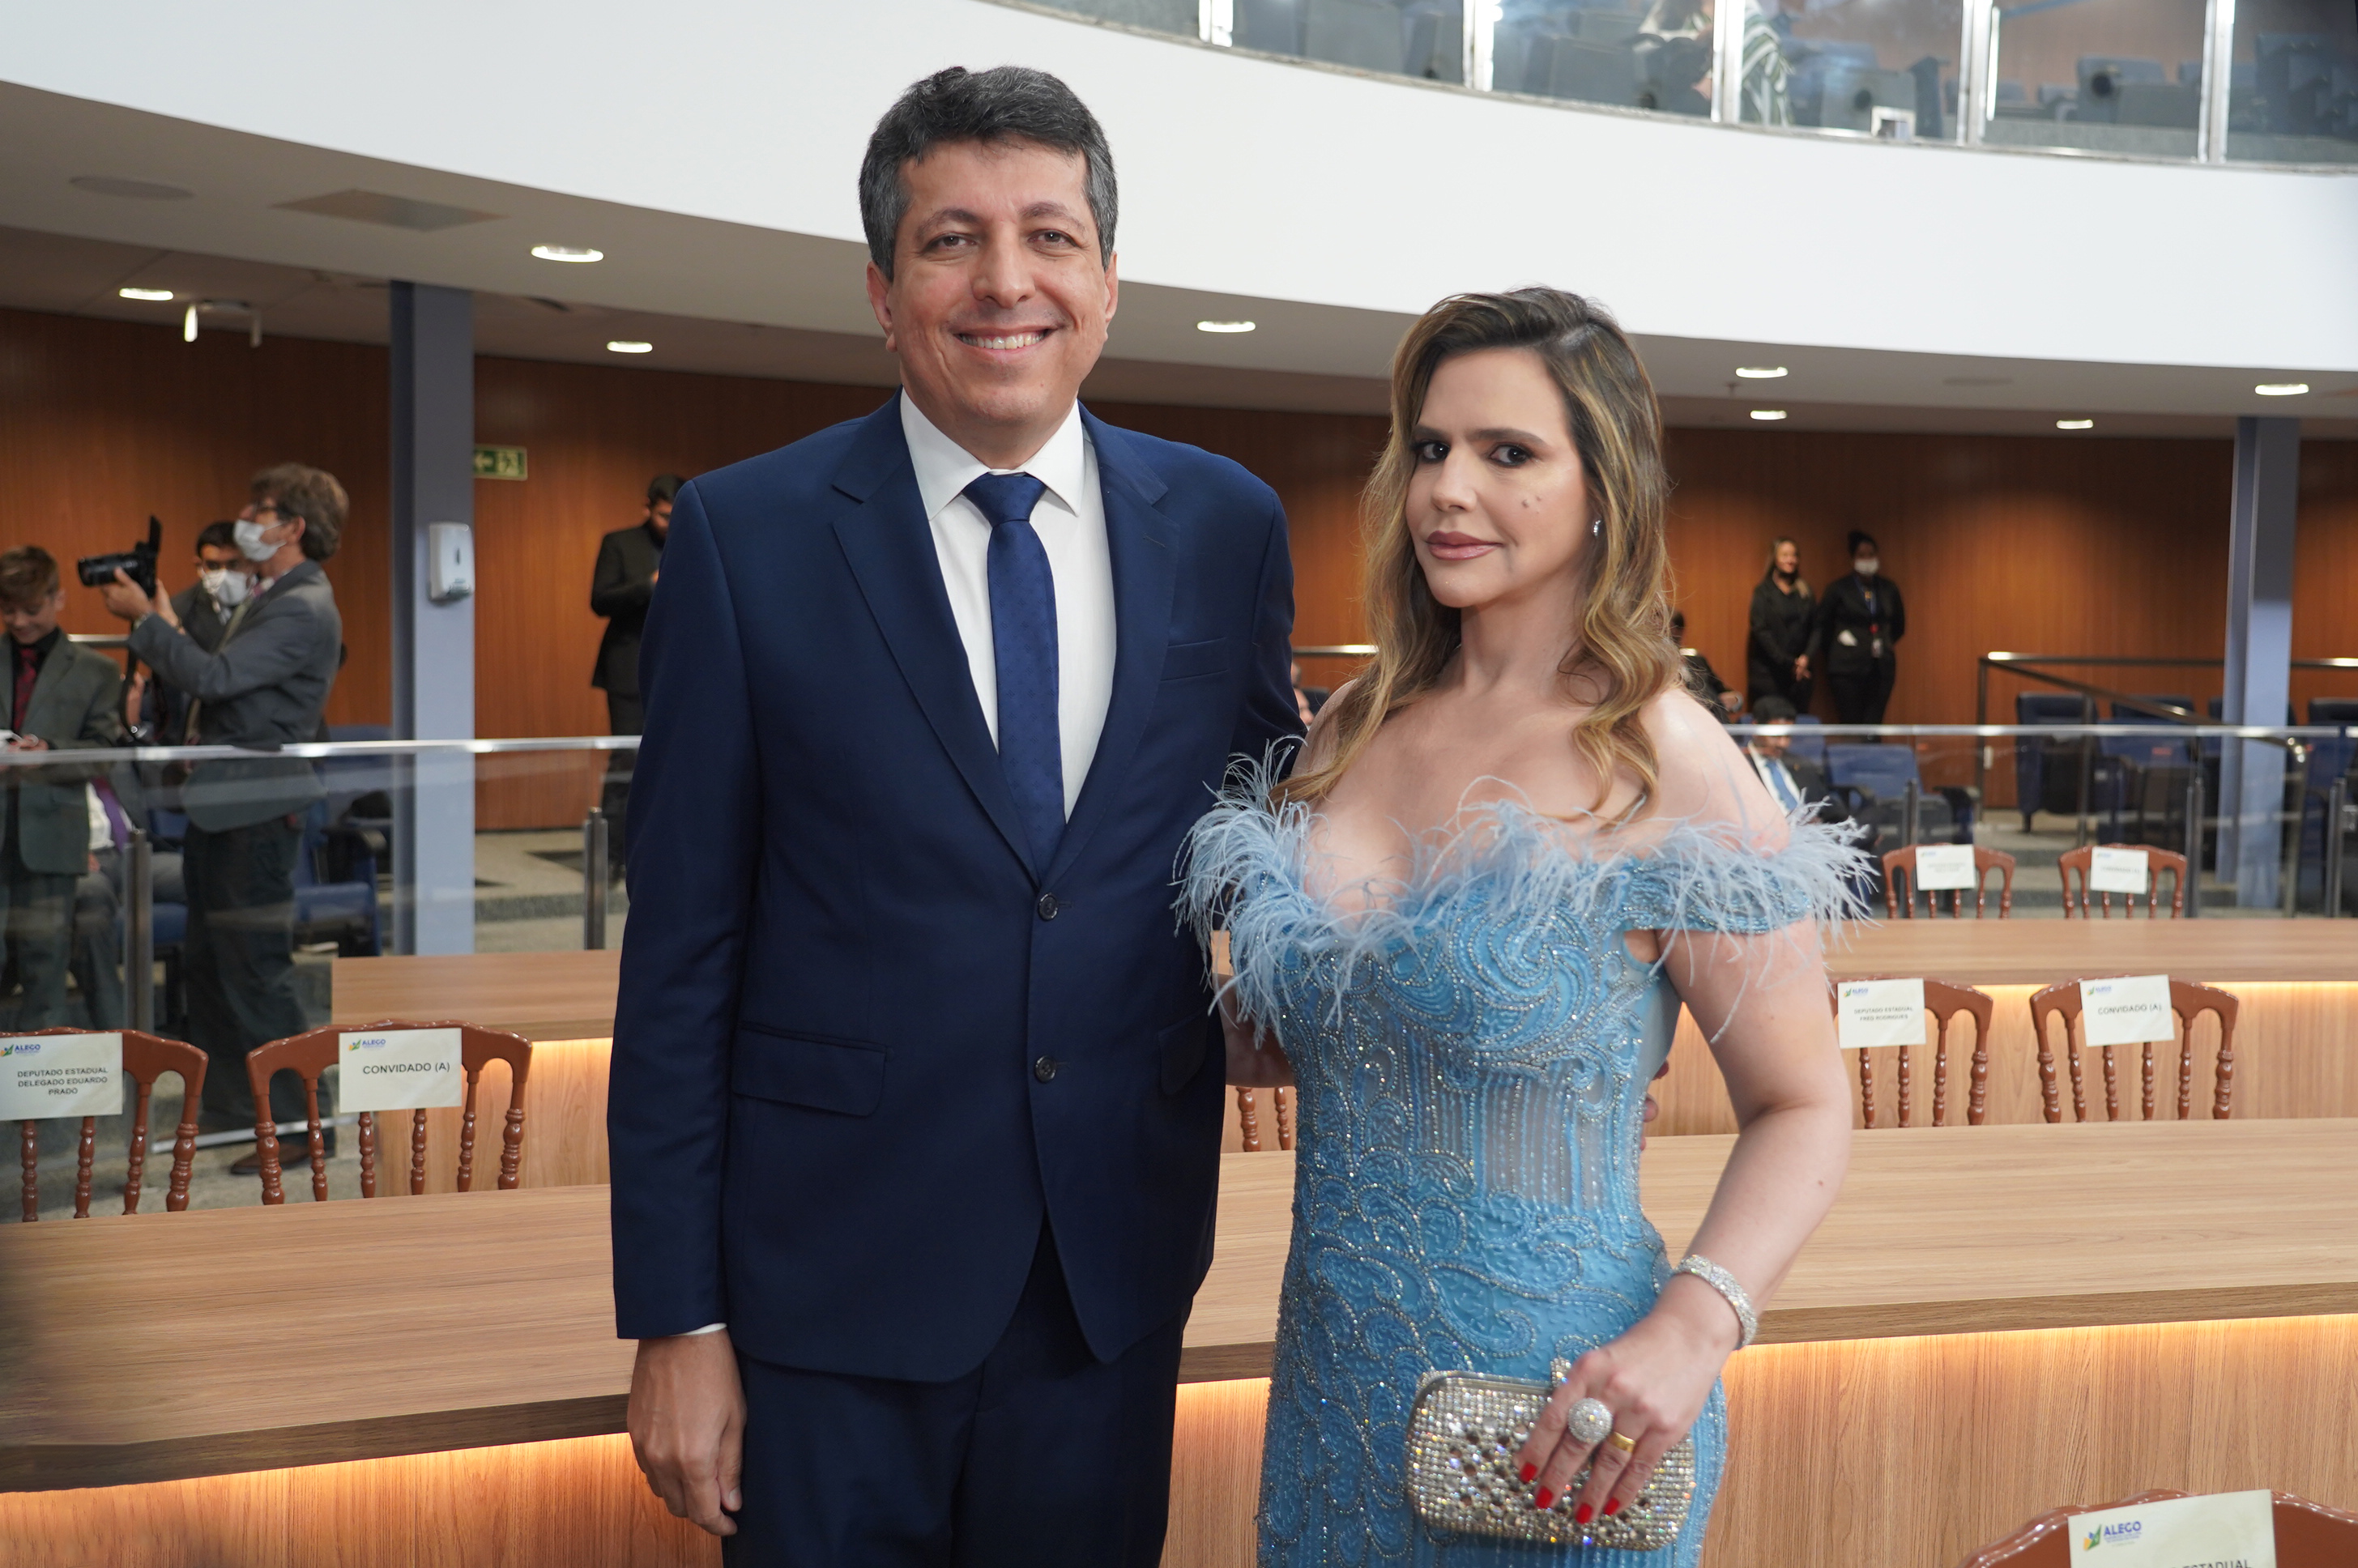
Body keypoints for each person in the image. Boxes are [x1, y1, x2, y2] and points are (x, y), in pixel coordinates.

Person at [608, 66, 1300, 1567]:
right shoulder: (745, 535)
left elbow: (1276, 842)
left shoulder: (1226, 526)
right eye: (950, 241)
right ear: (880, 289)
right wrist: (675, 1315)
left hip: (1109, 1279)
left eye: (1050, 236)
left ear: (1107, 282)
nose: (1004, 282)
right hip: (824, 1292)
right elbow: (678, 957)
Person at [1180, 289, 1859, 1566]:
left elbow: (1804, 1102)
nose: (1448, 489)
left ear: (1604, 490)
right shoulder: (1348, 728)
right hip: (1334, 1401)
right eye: (1429, 448)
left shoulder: (1665, 759)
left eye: (1507, 453)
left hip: (1563, 1420)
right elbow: (1317, 1036)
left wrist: (1695, 1324)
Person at [100, 463, 345, 1167]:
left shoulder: (304, 604)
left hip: (257, 811)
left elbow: (215, 677)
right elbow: (207, 658)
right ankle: (240, 1111)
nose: (246, 518)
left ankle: (303, 1126)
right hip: (221, 806)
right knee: (211, 967)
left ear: (293, 527)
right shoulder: (267, 594)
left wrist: (146, 623)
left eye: (259, 509)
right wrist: (163, 613)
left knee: (256, 970)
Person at [0, 548, 126, 1029]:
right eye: (8, 610)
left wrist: (49, 752)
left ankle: (40, 1080)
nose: (19, 621)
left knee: (45, 968)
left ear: (59, 599)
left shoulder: (96, 670)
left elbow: (103, 751)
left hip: (51, 833)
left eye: (31, 609)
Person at [590, 474, 676, 861]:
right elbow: (600, 600)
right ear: (647, 508)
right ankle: (612, 857)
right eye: (663, 516)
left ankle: (662, 851)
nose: (670, 525)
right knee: (627, 759)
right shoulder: (620, 543)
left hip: (679, 669)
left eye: (676, 517)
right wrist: (649, 584)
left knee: (677, 759)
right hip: (629, 668)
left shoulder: (696, 542)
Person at [130, 521, 255, 746]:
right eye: (213, 565)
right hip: (200, 736)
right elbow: (170, 693)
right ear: (199, 565)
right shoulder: (177, 610)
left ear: (251, 563)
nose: (224, 574)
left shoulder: (271, 605)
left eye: (234, 564)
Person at [1816, 529, 1903, 726]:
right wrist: (1842, 647)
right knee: (1852, 724)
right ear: (1853, 559)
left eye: (1871, 555)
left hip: (1881, 668)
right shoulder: (1838, 589)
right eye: (1862, 555)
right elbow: (1822, 627)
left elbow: (1899, 626)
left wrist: (1883, 642)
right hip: (1847, 668)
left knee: (1874, 725)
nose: (1867, 560)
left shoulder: (1888, 588)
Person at [1746, 535, 1814, 714]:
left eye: (1794, 555)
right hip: (1769, 674)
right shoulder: (1763, 592)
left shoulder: (1805, 591)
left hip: (1799, 675)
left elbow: (1816, 628)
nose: (1790, 560)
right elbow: (1760, 630)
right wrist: (1788, 662)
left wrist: (1805, 659)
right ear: (1775, 559)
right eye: (1785, 555)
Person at [1669, 609, 1741, 717]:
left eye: (1671, 631)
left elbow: (1724, 692)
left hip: (1712, 718)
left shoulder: (1696, 661)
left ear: (1679, 632)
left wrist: (1736, 699)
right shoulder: (1651, 667)